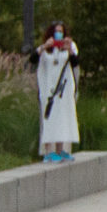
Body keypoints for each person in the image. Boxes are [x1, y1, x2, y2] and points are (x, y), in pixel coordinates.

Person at [31, 21, 80, 162]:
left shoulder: (69, 48)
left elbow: (75, 62)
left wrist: (69, 49)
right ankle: (48, 152)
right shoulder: (45, 49)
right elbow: (33, 59)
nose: (59, 34)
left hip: (63, 90)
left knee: (62, 118)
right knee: (49, 119)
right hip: (49, 90)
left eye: (61, 31)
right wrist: (46, 46)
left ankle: (60, 150)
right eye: (56, 31)